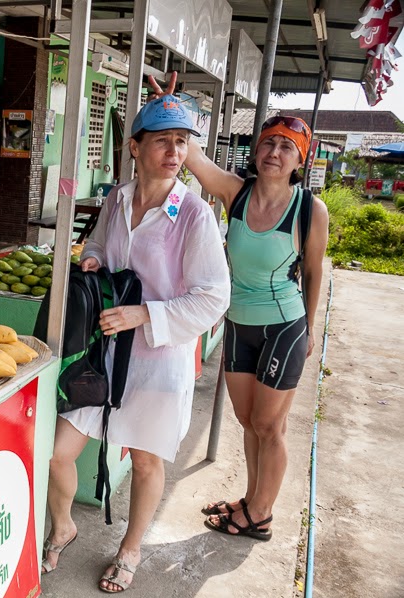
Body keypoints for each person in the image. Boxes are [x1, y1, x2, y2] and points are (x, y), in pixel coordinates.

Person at [43, 95, 231, 592]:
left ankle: (130, 549)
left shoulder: (194, 214)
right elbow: (102, 244)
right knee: (57, 453)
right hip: (105, 352)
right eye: (163, 140)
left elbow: (214, 297)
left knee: (146, 459)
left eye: (182, 141)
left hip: (157, 358)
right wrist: (93, 259)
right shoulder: (118, 198)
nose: (175, 150)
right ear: (134, 146)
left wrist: (146, 314)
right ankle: (64, 524)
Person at [149, 74, 329, 541]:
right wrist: (171, 109)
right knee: (249, 421)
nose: (274, 152)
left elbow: (313, 273)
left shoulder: (310, 209)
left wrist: (309, 328)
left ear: (299, 160)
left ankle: (261, 515)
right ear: (256, 151)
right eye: (268, 143)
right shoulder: (237, 192)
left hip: (283, 326)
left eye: (286, 147)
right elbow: (194, 157)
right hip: (237, 323)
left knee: (270, 425)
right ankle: (251, 501)